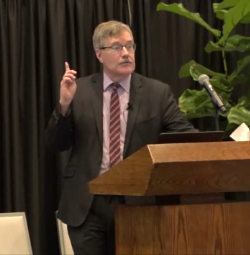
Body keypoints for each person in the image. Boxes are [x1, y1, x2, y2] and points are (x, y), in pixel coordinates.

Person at [45, 20, 198, 255]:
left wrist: (228, 146)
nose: (126, 53)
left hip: (137, 203)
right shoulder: (79, 90)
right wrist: (64, 105)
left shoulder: (156, 93)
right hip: (88, 203)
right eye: (116, 47)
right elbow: (56, 143)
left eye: (130, 46)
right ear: (99, 54)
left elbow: (186, 138)